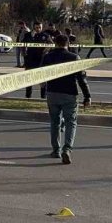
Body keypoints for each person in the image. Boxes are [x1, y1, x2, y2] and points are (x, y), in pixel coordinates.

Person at [41, 34, 91, 164]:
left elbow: (40, 76)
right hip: (69, 93)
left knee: (55, 122)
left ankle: (56, 150)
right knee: (71, 122)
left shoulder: (47, 57)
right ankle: (67, 149)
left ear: (55, 43)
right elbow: (82, 79)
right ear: (67, 44)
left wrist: (44, 90)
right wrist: (87, 96)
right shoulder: (74, 57)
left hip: (52, 93)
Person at [23, 22, 51, 98]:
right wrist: (24, 54)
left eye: (39, 27)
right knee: (29, 80)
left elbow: (51, 44)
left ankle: (43, 97)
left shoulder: (45, 35)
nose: (38, 29)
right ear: (33, 28)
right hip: (30, 60)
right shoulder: (28, 35)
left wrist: (46, 50)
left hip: (41, 60)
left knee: (42, 81)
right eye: (36, 27)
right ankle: (28, 97)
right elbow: (22, 44)